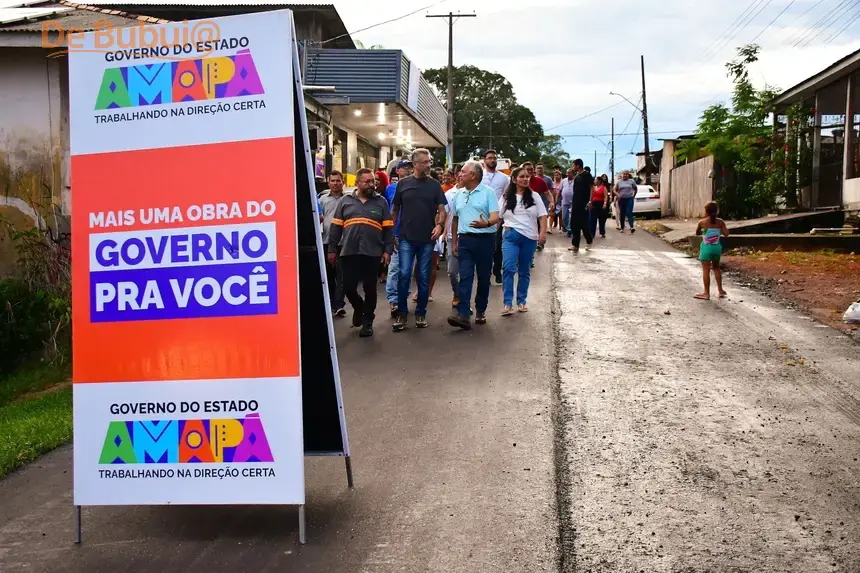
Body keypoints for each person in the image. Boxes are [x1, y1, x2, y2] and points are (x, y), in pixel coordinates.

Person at [327, 169, 394, 337]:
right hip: (349, 251)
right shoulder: (345, 201)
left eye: (373, 181)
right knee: (348, 286)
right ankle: (359, 307)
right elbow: (335, 227)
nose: (372, 184)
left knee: (370, 288)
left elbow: (388, 229)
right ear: (357, 183)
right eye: (367, 182)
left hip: (372, 252)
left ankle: (367, 322)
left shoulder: (381, 202)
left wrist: (387, 250)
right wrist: (332, 249)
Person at [391, 148, 447, 331]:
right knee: (404, 274)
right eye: (425, 162)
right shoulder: (403, 184)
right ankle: (401, 313)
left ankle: (421, 312)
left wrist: (439, 225)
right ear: (415, 164)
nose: (429, 164)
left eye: (429, 161)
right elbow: (395, 210)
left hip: (427, 239)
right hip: (406, 237)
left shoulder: (434, 185)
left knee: (423, 277)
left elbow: (442, 210)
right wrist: (392, 233)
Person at [448, 161, 499, 330]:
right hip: (465, 241)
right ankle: (463, 314)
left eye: (463, 172)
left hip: (485, 240)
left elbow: (495, 217)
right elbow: (455, 219)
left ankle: (480, 310)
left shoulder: (488, 193)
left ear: (474, 175)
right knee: (466, 277)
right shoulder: (459, 194)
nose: (459, 174)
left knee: (484, 278)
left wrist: (487, 223)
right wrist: (454, 241)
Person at [499, 167, 547, 315]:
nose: (525, 179)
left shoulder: (534, 196)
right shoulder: (506, 197)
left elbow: (542, 216)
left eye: (527, 177)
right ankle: (507, 303)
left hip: (529, 238)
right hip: (510, 236)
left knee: (524, 270)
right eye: (522, 177)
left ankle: (521, 301)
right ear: (514, 179)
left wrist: (542, 233)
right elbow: (498, 217)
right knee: (508, 268)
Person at [384, 160, 412, 315]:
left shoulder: (416, 186)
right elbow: (387, 212)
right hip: (395, 234)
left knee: (406, 270)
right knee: (394, 268)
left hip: (411, 234)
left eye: (410, 168)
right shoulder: (390, 189)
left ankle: (403, 298)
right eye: (404, 168)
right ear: (397, 171)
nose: (407, 170)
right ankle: (393, 300)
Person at [319, 171, 347, 317]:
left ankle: (338, 305)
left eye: (338, 181)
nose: (336, 184)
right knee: (328, 276)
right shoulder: (322, 200)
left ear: (343, 182)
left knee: (342, 276)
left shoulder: (349, 199)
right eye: (333, 181)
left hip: (344, 243)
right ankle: (331, 302)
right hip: (326, 242)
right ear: (328, 182)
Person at [481, 149, 510, 285]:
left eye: (494, 158)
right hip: (481, 215)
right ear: (484, 160)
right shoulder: (480, 176)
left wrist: (503, 216)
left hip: (498, 216)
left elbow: (507, 197)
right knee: (485, 246)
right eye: (489, 158)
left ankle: (497, 271)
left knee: (497, 246)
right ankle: (485, 272)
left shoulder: (504, 178)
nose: (492, 160)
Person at [695, 201, 729, 300]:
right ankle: (720, 290)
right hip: (716, 248)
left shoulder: (702, 222)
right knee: (716, 268)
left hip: (706, 248)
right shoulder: (720, 222)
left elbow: (697, 233)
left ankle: (706, 293)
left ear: (706, 212)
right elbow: (726, 234)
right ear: (716, 211)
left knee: (706, 270)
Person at [567, 159, 594, 254]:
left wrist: (590, 201)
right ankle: (575, 245)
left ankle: (589, 240)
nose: (572, 167)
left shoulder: (587, 175)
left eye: (573, 165)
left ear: (578, 165)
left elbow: (591, 187)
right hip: (576, 203)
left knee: (583, 224)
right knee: (574, 224)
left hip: (584, 203)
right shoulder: (577, 176)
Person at [444, 182, 461, 307]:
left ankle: (464, 300)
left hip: (468, 236)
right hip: (451, 237)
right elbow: (445, 214)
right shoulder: (449, 194)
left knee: (466, 272)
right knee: (452, 271)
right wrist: (444, 231)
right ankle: (457, 293)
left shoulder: (475, 193)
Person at [589, 174, 610, 239]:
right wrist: (590, 202)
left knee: (602, 219)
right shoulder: (593, 187)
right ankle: (592, 233)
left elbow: (605, 196)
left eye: (595, 180)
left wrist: (605, 203)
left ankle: (602, 232)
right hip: (594, 204)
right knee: (593, 219)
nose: (594, 181)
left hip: (601, 204)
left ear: (599, 181)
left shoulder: (604, 188)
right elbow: (591, 196)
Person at [559, 168, 575, 235]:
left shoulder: (576, 180)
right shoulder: (563, 181)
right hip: (564, 202)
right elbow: (559, 191)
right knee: (564, 217)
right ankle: (566, 228)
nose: (567, 174)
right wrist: (556, 200)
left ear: (573, 173)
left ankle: (569, 230)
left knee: (571, 217)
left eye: (569, 173)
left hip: (573, 202)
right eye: (567, 173)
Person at [550, 166, 563, 234]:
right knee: (552, 214)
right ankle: (550, 228)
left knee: (560, 215)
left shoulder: (562, 183)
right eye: (555, 175)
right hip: (553, 200)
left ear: (560, 176)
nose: (556, 176)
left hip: (560, 201)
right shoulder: (552, 183)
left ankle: (560, 228)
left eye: (557, 175)